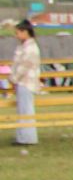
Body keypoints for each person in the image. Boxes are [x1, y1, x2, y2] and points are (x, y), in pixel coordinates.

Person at [11, 21, 40, 150]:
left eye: (18, 32)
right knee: (22, 109)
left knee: (26, 110)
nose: (16, 35)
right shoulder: (24, 46)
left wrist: (13, 79)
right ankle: (23, 136)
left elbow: (24, 66)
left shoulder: (30, 48)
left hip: (26, 82)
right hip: (22, 82)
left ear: (25, 32)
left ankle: (28, 137)